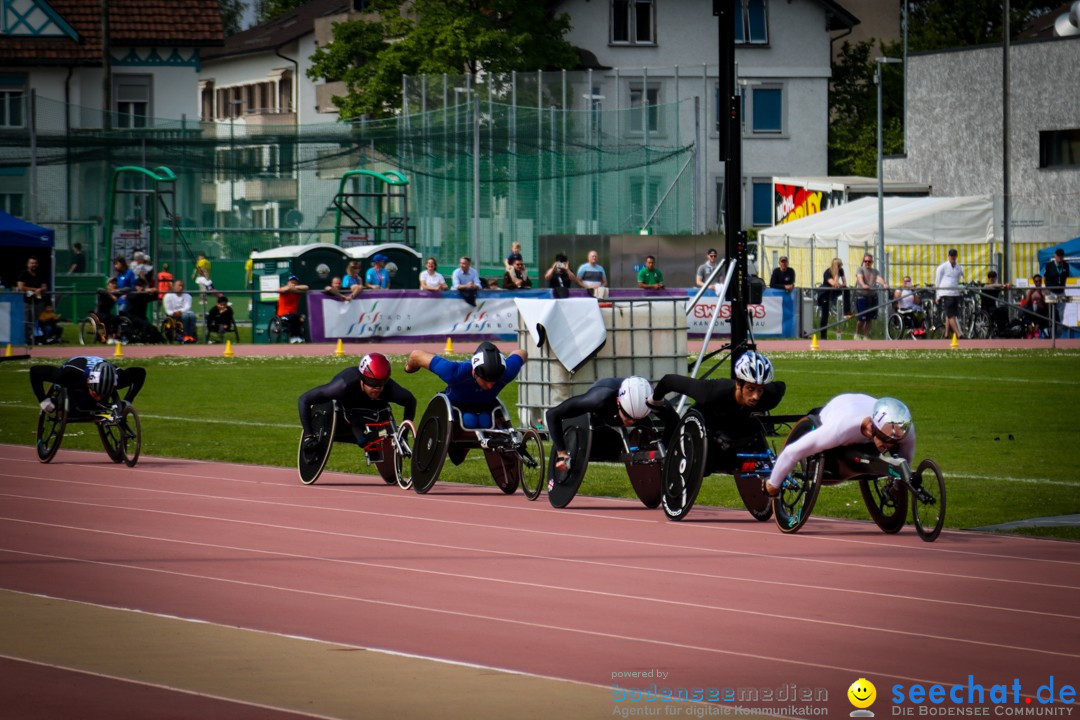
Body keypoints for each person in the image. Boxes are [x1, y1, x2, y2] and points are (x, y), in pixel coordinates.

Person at [651, 351, 785, 472]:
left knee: (752, 429)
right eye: (750, 389)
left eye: (760, 390)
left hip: (735, 426)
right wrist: (654, 401)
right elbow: (669, 381)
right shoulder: (711, 391)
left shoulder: (770, 396)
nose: (756, 396)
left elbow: (781, 386)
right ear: (738, 384)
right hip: (704, 428)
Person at [765, 395, 915, 497]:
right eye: (884, 439)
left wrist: (897, 487)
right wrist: (773, 484)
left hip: (866, 405)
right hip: (838, 410)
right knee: (825, 451)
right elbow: (792, 452)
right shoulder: (839, 429)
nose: (889, 445)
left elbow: (905, 462)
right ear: (871, 427)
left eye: (893, 442)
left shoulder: (904, 430)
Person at [298, 352, 417, 461]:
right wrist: (309, 436)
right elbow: (304, 400)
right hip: (347, 409)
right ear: (362, 380)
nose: (377, 389)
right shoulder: (342, 386)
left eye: (381, 384)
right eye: (373, 384)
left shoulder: (389, 389)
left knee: (381, 423)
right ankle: (362, 438)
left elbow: (411, 401)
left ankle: (371, 437)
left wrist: (404, 435)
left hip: (373, 409)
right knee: (357, 428)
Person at [547, 376, 677, 473]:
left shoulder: (653, 401)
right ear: (618, 402)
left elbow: (675, 421)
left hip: (636, 400)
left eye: (636, 419)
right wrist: (562, 453)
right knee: (606, 446)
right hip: (604, 402)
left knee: (667, 421)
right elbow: (552, 414)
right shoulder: (597, 400)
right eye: (628, 417)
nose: (631, 422)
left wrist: (666, 450)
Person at [405, 341, 527, 429]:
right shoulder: (453, 372)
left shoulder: (507, 372)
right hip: (454, 409)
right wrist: (409, 368)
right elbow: (416, 355)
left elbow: (522, 353)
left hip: (485, 408)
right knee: (470, 420)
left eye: (494, 381)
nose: (490, 386)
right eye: (485, 380)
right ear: (474, 372)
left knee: (484, 421)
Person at [30, 356, 146, 416]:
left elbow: (141, 373)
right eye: (96, 393)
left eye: (103, 394)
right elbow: (35, 372)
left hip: (103, 371)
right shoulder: (67, 375)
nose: (99, 397)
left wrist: (127, 401)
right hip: (76, 373)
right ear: (88, 383)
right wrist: (43, 400)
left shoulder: (119, 377)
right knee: (71, 400)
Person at [853, 253, 888, 340]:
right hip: (862, 297)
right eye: (865, 261)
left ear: (872, 262)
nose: (867, 263)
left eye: (869, 261)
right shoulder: (860, 269)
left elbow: (879, 278)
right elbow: (859, 278)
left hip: (872, 297)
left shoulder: (875, 271)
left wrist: (884, 284)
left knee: (870, 319)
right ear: (863, 261)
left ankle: (865, 336)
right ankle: (857, 334)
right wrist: (863, 285)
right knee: (862, 319)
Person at [934, 248, 965, 340]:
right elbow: (937, 281)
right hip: (946, 292)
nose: (953, 257)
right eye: (951, 255)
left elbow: (958, 279)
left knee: (950, 313)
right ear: (948, 256)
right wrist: (938, 295)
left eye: (954, 256)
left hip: (955, 293)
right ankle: (959, 334)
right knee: (951, 314)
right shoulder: (942, 267)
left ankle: (946, 334)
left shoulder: (959, 267)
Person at [122, 277, 164, 343]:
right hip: (131, 317)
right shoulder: (132, 293)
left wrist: (155, 292)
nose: (140, 287)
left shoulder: (144, 295)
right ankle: (143, 340)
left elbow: (154, 297)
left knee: (153, 328)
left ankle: (162, 341)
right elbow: (134, 296)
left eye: (141, 286)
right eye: (138, 285)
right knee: (145, 324)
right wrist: (146, 291)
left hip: (141, 317)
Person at [817, 258, 849, 332]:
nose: (841, 267)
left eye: (841, 265)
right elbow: (834, 283)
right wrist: (836, 274)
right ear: (835, 266)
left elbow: (844, 283)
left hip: (833, 291)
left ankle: (847, 311)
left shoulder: (841, 270)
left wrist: (841, 285)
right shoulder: (827, 272)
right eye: (839, 266)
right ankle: (823, 335)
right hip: (825, 292)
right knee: (825, 315)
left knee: (847, 289)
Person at [1043, 247, 1070, 333]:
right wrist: (1047, 289)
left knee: (1061, 314)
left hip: (1061, 292)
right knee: (1051, 313)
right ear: (1055, 256)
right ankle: (1050, 332)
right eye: (1058, 256)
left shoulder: (1065, 265)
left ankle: (1058, 334)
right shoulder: (1049, 265)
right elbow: (1045, 277)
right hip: (1051, 292)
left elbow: (1066, 276)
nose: (1060, 258)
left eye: (1061, 256)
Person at [163, 279, 198, 343]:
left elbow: (188, 307)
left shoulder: (187, 296)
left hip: (185, 313)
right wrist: (174, 313)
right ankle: (184, 335)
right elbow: (168, 309)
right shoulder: (168, 296)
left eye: (182, 286)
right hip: (173, 315)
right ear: (174, 286)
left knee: (192, 316)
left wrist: (180, 312)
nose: (181, 287)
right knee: (186, 317)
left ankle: (190, 336)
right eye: (179, 286)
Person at [276, 275, 309, 343]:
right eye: (291, 282)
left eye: (295, 283)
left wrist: (294, 287)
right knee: (293, 317)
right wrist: (290, 288)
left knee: (299, 318)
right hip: (283, 315)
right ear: (288, 282)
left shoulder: (297, 293)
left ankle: (297, 337)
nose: (293, 284)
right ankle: (294, 337)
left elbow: (306, 287)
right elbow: (282, 289)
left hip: (293, 315)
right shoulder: (283, 290)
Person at [980, 270, 1010, 336]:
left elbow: (1001, 287)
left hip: (993, 306)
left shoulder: (997, 287)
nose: (992, 278)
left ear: (995, 278)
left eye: (993, 277)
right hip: (986, 308)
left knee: (1004, 309)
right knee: (996, 312)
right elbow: (989, 286)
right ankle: (1000, 330)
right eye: (990, 277)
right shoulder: (985, 285)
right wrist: (1003, 285)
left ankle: (1006, 328)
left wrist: (1008, 285)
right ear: (988, 278)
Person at [1022, 274, 1050, 338]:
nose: (1038, 283)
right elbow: (1027, 304)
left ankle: (1036, 329)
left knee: (1038, 310)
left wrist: (1042, 295)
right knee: (1026, 310)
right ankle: (1030, 328)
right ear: (1034, 282)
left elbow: (1047, 305)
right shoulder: (1030, 290)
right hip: (1032, 309)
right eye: (1036, 281)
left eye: (1040, 281)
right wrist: (1030, 294)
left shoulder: (1044, 290)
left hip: (1042, 310)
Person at [94, 278, 121, 342]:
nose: (114, 285)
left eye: (115, 283)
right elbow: (99, 290)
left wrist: (118, 290)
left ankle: (114, 336)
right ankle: (108, 336)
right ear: (108, 285)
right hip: (99, 313)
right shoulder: (104, 292)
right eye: (112, 283)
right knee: (107, 318)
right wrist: (111, 295)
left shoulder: (116, 292)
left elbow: (127, 289)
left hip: (107, 313)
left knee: (116, 318)